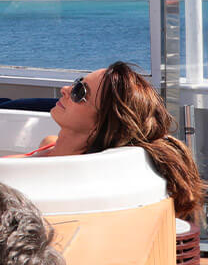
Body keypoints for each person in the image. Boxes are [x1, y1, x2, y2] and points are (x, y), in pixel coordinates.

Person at [27, 61, 204, 221]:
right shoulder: (49, 143)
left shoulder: (67, 178)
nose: (65, 89)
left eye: (79, 91)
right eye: (76, 83)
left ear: (100, 124)